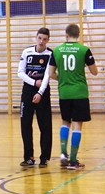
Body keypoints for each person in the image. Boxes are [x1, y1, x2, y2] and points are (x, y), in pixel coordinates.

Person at [48, 23, 97, 171]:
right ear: (79, 35)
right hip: (79, 92)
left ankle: (63, 153)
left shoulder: (57, 51)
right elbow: (94, 72)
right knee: (77, 125)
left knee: (65, 122)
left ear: (66, 35)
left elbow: (51, 74)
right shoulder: (84, 50)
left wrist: (64, 78)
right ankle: (73, 161)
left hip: (64, 92)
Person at [17, 28, 53, 167]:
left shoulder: (50, 54)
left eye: (44, 39)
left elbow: (47, 75)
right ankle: (29, 157)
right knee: (25, 124)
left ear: (48, 40)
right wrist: (33, 83)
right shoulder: (27, 52)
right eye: (39, 38)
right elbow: (20, 72)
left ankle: (44, 158)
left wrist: (40, 92)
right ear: (36, 38)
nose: (41, 41)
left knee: (45, 126)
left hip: (43, 92)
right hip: (27, 91)